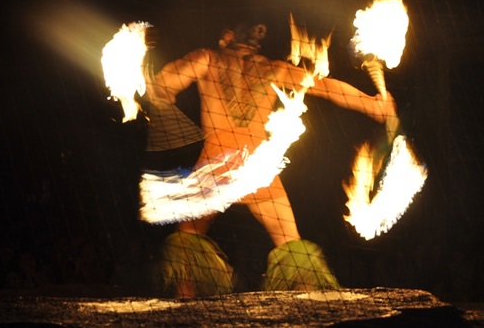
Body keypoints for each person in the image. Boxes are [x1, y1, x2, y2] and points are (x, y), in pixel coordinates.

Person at [142, 23, 396, 298]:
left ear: (227, 36)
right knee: (289, 243)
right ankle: (308, 304)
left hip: (215, 164)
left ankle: (185, 302)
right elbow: (328, 88)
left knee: (188, 239)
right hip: (256, 167)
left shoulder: (207, 58)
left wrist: (152, 95)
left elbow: (164, 85)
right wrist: (372, 105)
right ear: (257, 43)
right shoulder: (274, 69)